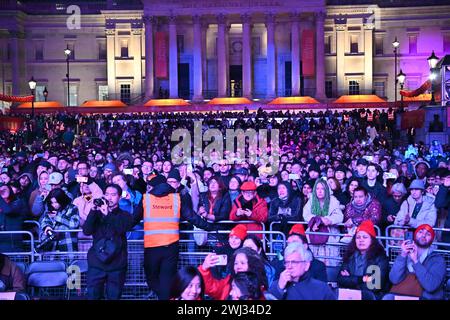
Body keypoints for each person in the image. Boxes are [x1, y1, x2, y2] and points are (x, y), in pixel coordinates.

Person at [135, 170, 217, 300]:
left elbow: (133, 219)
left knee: (151, 279)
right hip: (171, 246)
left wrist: (115, 223)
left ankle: (164, 296)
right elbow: (192, 217)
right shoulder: (176, 198)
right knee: (167, 280)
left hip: (152, 247)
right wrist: (210, 227)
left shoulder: (146, 198)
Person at [82, 184, 135, 300]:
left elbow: (121, 228)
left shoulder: (126, 216)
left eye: (113, 195)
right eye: (107, 194)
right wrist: (93, 211)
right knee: (92, 297)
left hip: (117, 264)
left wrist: (108, 214)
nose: (109, 198)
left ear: (120, 197)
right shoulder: (97, 213)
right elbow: (86, 230)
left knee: (114, 297)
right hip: (96, 263)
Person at [386, 224, 446, 300]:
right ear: (414, 235)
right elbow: (394, 279)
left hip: (425, 297)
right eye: (420, 232)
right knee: (387, 297)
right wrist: (403, 255)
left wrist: (415, 261)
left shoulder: (438, 260)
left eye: (428, 234)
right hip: (403, 294)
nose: (423, 235)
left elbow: (431, 286)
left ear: (432, 239)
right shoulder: (405, 255)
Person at [337, 220, 389, 300]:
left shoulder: (380, 257)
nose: (361, 240)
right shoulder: (350, 255)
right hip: (350, 295)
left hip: (372, 296)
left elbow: (374, 286)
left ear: (372, 240)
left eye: (365, 237)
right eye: (358, 237)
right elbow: (340, 280)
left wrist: (351, 280)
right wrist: (362, 279)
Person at [268, 242, 336, 300]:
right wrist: (279, 289)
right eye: (287, 262)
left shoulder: (321, 288)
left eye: (294, 262)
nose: (289, 266)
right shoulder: (276, 285)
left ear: (306, 265)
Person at [198, 247, 267, 300]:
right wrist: (204, 268)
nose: (238, 266)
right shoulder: (229, 281)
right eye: (236, 263)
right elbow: (211, 288)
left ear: (252, 265)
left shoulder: (259, 288)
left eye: (242, 263)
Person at [303, 179, 344, 266]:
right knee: (314, 261)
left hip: (330, 234)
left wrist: (329, 220)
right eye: (317, 188)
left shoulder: (333, 200)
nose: (320, 191)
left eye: (322, 188)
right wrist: (316, 220)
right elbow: (306, 214)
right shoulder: (311, 201)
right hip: (314, 234)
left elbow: (339, 216)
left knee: (329, 260)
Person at [39, 188, 80, 253]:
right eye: (52, 202)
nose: (54, 205)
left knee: (69, 262)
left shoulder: (72, 208)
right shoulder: (50, 209)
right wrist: (47, 227)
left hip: (68, 244)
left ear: (61, 200)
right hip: (52, 247)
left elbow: (74, 224)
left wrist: (57, 217)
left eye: (56, 202)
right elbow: (44, 221)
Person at [0, 184, 29, 252]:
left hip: (14, 244)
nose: (2, 191)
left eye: (4, 190)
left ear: (10, 190)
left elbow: (8, 210)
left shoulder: (18, 202)